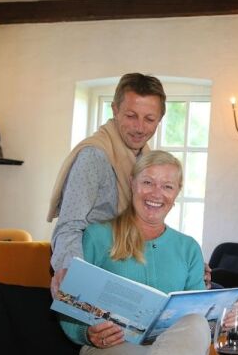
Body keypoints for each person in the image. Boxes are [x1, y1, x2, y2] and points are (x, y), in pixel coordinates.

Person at [58, 151, 210, 355]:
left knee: (196, 323)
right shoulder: (98, 236)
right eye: (148, 182)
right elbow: (69, 312)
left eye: (167, 186)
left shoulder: (188, 248)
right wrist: (87, 332)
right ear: (132, 184)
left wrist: (220, 318)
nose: (157, 193)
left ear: (177, 192)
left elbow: (198, 320)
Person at [47, 73, 166, 296]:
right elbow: (69, 226)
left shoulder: (147, 160)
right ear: (115, 109)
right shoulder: (94, 156)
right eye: (131, 116)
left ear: (159, 119)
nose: (140, 128)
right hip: (91, 273)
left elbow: (147, 228)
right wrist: (74, 274)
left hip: (126, 270)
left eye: (150, 119)